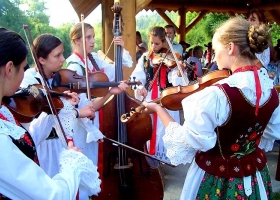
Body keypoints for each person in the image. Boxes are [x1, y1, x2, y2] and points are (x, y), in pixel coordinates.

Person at [142, 17, 280, 199]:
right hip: (254, 177)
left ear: (230, 48)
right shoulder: (270, 90)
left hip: (216, 180)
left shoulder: (217, 94)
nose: (214, 57)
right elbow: (268, 134)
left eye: (216, 51)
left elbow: (187, 142)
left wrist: (160, 110)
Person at [0, 27, 101, 199]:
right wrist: (73, 162)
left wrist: (54, 108)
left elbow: (26, 141)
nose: (24, 74)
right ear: (9, 69)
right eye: (23, 68)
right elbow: (52, 195)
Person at [66, 22, 132, 200]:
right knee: (87, 163)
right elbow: (87, 108)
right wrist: (110, 91)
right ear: (76, 41)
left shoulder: (92, 58)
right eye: (88, 37)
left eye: (93, 36)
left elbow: (117, 70)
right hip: (83, 125)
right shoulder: (74, 67)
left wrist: (121, 49)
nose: (92, 41)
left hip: (96, 118)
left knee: (94, 161)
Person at [131, 26, 186, 166]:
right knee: (149, 126)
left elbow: (177, 83)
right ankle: (150, 160)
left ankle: (163, 161)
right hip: (149, 97)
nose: (154, 47)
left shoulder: (171, 58)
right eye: (151, 43)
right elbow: (136, 77)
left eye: (157, 44)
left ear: (164, 43)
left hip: (165, 99)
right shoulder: (145, 57)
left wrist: (179, 72)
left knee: (163, 129)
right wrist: (139, 87)